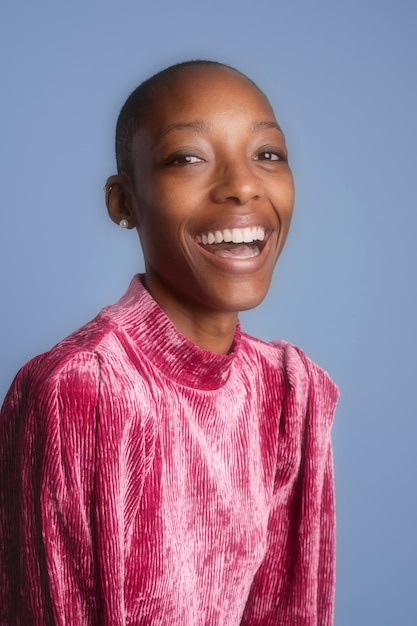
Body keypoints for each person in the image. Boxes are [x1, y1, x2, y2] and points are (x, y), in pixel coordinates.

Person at [0, 60, 339, 625]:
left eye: (268, 154)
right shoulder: (76, 390)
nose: (242, 186)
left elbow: (290, 613)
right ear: (123, 202)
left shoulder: (290, 391)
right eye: (187, 158)